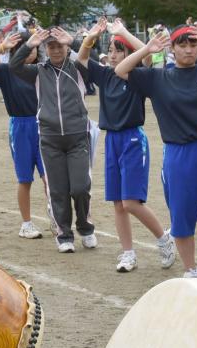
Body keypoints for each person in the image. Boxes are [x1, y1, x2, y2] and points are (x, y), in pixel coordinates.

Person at [114, 23, 197, 277]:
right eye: (182, 45)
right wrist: (148, 50)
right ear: (172, 49)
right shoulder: (158, 78)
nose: (188, 50)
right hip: (179, 155)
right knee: (182, 215)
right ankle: (191, 269)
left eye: (193, 44)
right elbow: (121, 69)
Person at [76, 17, 177, 271]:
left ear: (128, 52)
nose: (111, 55)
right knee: (118, 204)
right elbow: (82, 59)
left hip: (133, 139)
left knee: (131, 202)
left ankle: (164, 239)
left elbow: (148, 52)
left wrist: (124, 32)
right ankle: (128, 253)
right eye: (109, 49)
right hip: (112, 140)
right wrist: (92, 36)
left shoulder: (138, 76)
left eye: (117, 49)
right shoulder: (105, 75)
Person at [10, 26, 95, 252]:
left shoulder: (78, 68)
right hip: (50, 139)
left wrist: (75, 41)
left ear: (66, 47)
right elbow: (14, 66)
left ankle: (85, 227)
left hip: (78, 137)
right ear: (45, 49)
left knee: (80, 187)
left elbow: (92, 58)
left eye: (60, 46)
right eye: (51, 46)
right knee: (57, 190)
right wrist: (29, 44)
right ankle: (64, 235)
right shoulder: (38, 71)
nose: (56, 50)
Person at [0, 30, 46, 239]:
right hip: (20, 127)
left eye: (35, 47)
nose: (32, 52)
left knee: (50, 178)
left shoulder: (41, 69)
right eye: (29, 47)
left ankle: (57, 220)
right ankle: (26, 224)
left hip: (44, 125)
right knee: (25, 179)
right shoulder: (7, 71)